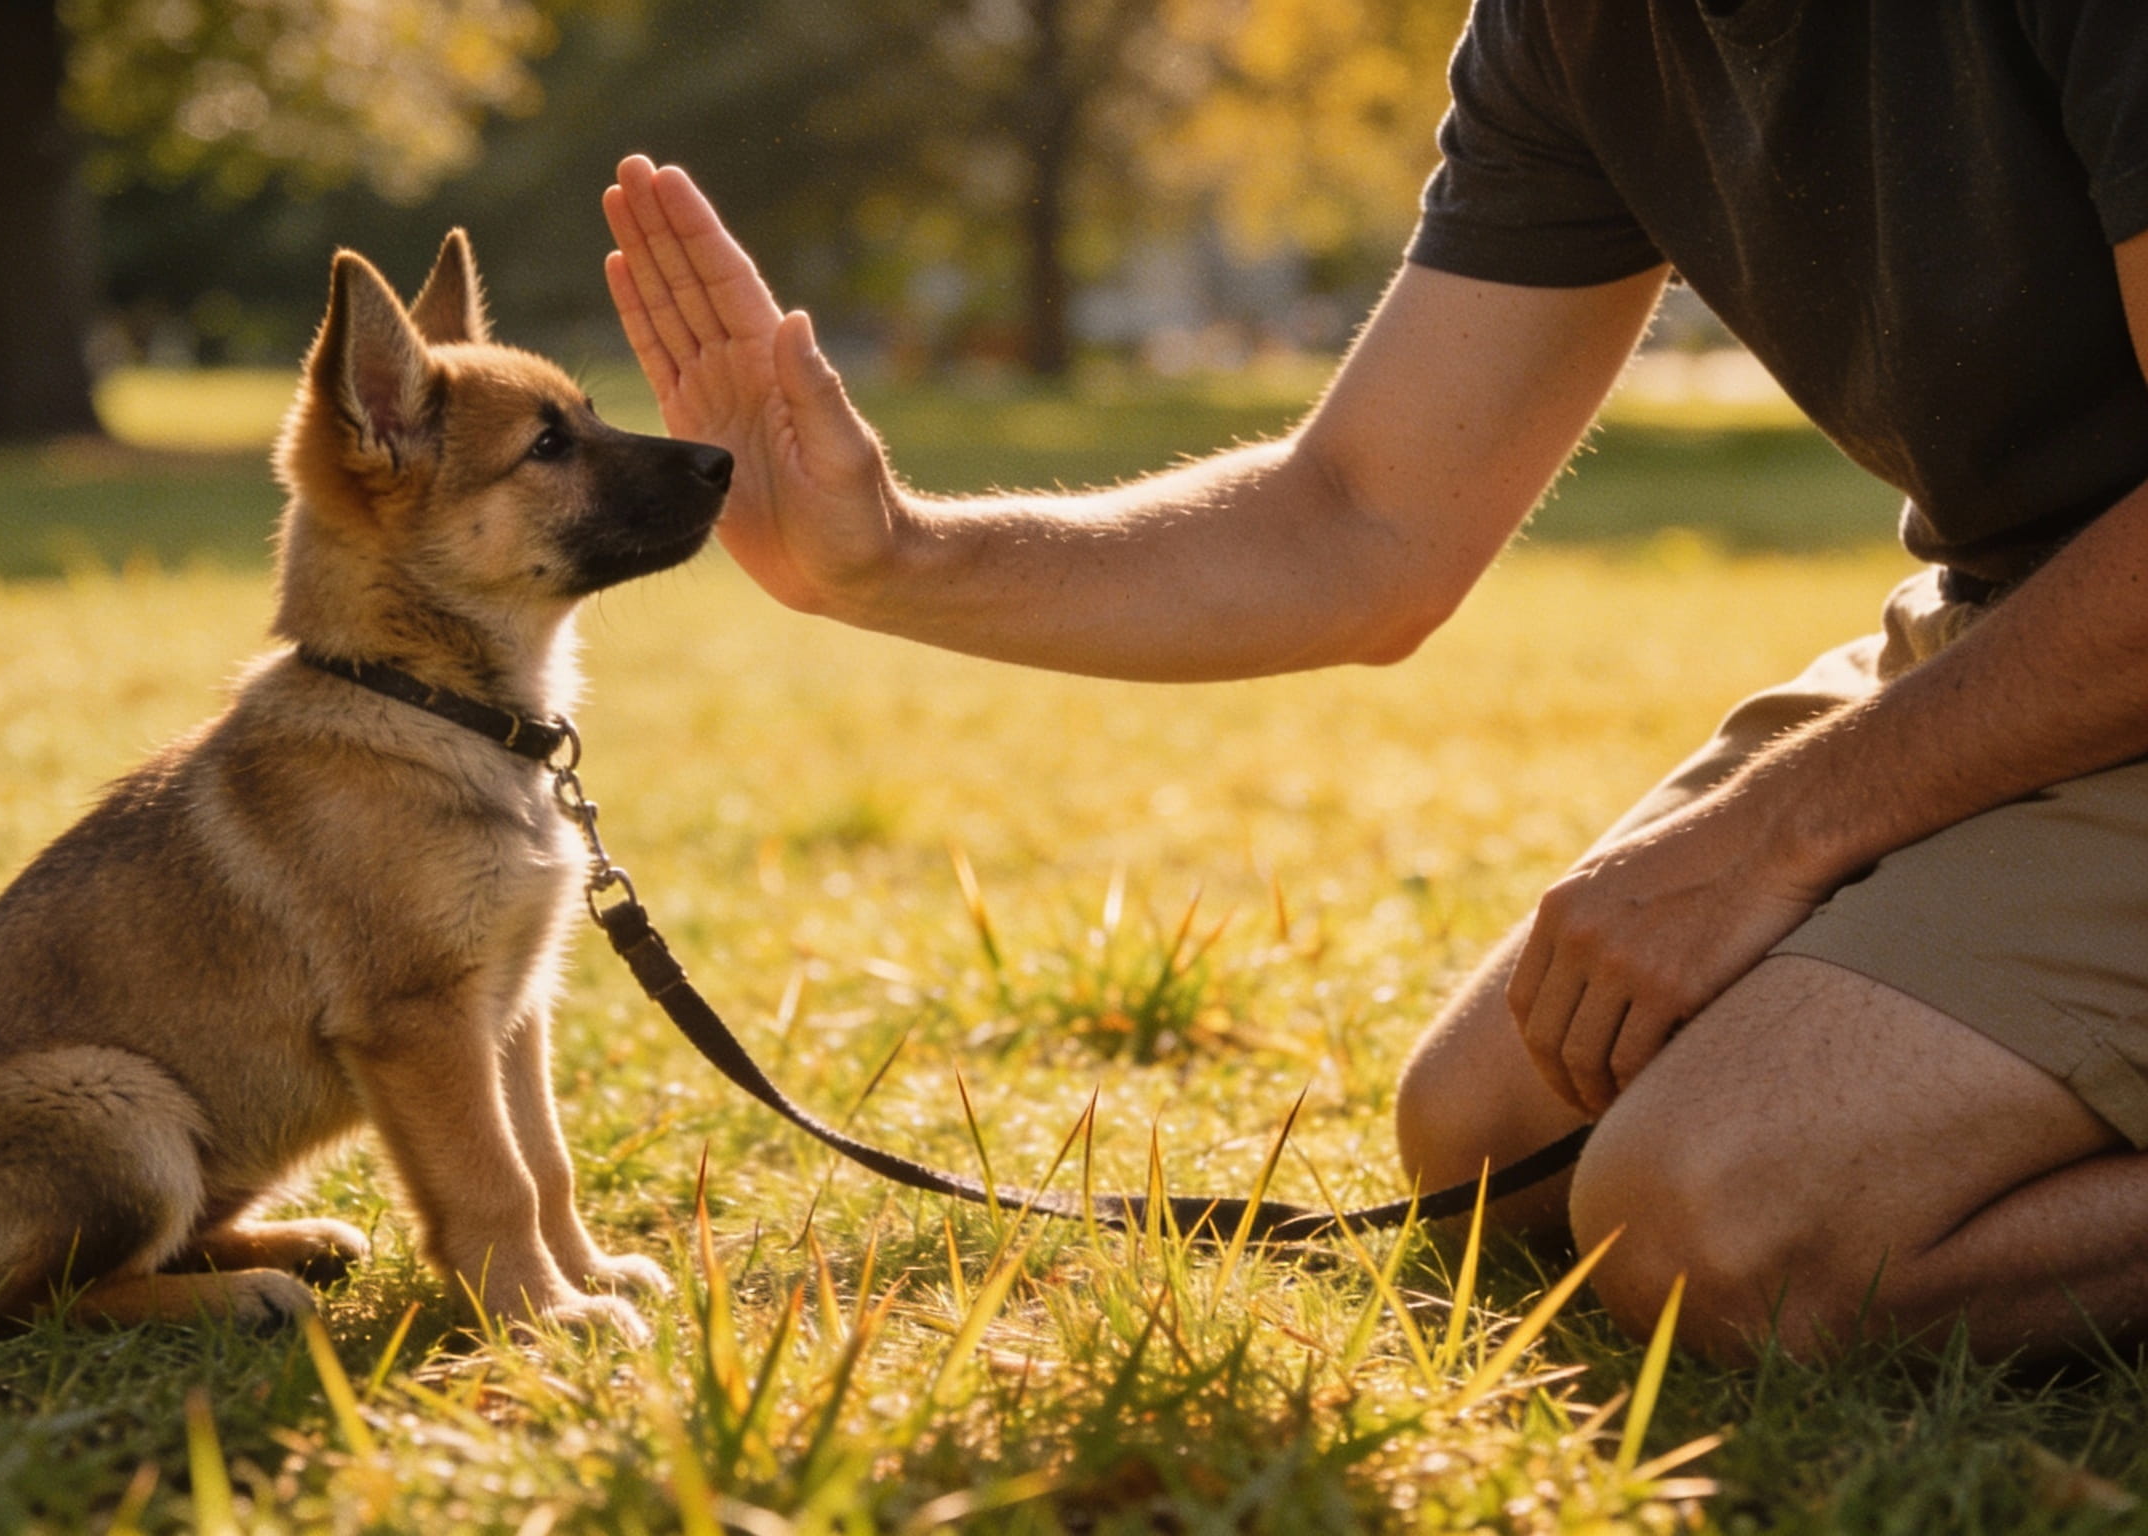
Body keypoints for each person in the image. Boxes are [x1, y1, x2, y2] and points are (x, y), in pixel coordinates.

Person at [597, 2, 2148, 1366]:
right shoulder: (1580, 28)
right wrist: (896, 558)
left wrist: (1776, 832)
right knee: (1493, 1135)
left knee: (1727, 1223)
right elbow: (1366, 521)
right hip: (2014, 611)